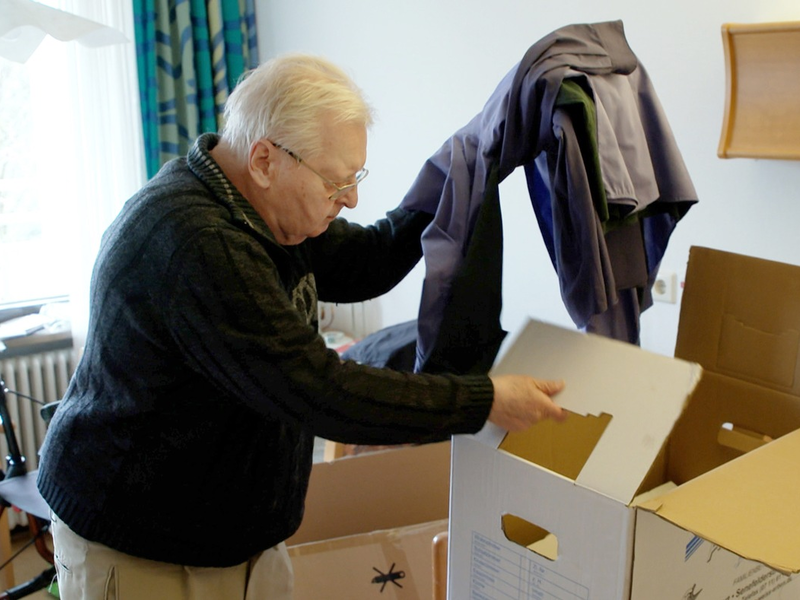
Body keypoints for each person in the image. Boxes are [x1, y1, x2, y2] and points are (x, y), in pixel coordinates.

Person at [36, 53, 566, 599]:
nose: (352, 199)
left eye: (355, 178)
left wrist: (462, 168)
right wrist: (484, 401)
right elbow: (320, 390)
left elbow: (370, 260)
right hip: (144, 544)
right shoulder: (198, 243)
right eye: (337, 182)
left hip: (232, 534)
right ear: (265, 160)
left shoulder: (260, 204)